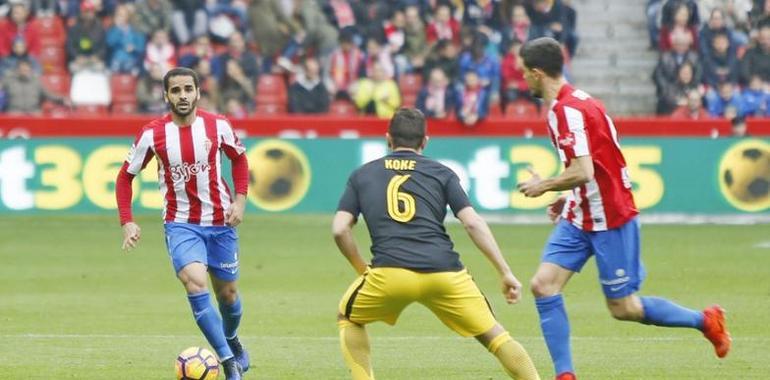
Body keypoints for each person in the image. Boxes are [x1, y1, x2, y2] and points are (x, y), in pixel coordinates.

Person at [516, 37, 731, 380]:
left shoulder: (565, 111)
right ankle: (565, 375)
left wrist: (544, 185)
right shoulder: (581, 102)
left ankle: (706, 320)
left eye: (525, 73)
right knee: (543, 285)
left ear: (538, 73)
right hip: (581, 214)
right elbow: (594, 167)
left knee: (624, 308)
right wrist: (567, 196)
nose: (523, 79)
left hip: (610, 218)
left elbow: (584, 170)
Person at [332, 108, 541, 380]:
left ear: (388, 139)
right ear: (425, 142)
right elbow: (473, 223)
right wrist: (505, 272)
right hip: (446, 272)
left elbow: (339, 229)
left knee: (348, 317)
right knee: (494, 335)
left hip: (390, 272)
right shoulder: (442, 172)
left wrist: (361, 268)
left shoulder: (362, 174)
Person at [115, 67, 250, 380]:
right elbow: (125, 177)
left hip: (220, 222)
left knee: (228, 296)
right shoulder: (153, 134)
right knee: (194, 282)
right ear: (166, 96)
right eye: (175, 91)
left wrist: (240, 201)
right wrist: (127, 221)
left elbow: (239, 159)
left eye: (188, 89)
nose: (183, 95)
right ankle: (229, 362)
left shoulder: (218, 126)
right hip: (181, 224)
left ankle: (230, 339)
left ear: (198, 92)